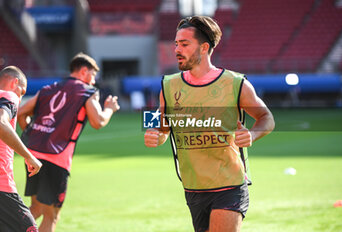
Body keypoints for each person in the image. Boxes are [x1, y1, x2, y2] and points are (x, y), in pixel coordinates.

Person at [144, 16, 275, 232]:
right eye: (176, 43)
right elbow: (161, 127)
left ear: (204, 47)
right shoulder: (168, 86)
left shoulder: (235, 83)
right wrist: (155, 135)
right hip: (193, 187)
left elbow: (267, 118)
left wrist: (252, 135)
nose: (177, 49)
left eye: (184, 44)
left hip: (229, 183)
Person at [18, 53, 120, 232]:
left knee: (37, 208)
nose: (94, 81)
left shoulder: (48, 88)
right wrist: (109, 109)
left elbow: (20, 112)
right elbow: (98, 122)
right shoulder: (88, 92)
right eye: (93, 75)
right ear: (83, 71)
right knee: (52, 215)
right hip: (57, 158)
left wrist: (32, 133)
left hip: (33, 156)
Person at [0, 66, 42, 232]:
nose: (20, 98)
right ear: (15, 82)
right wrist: (28, 155)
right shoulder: (8, 96)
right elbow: (1, 124)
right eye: (22, 92)